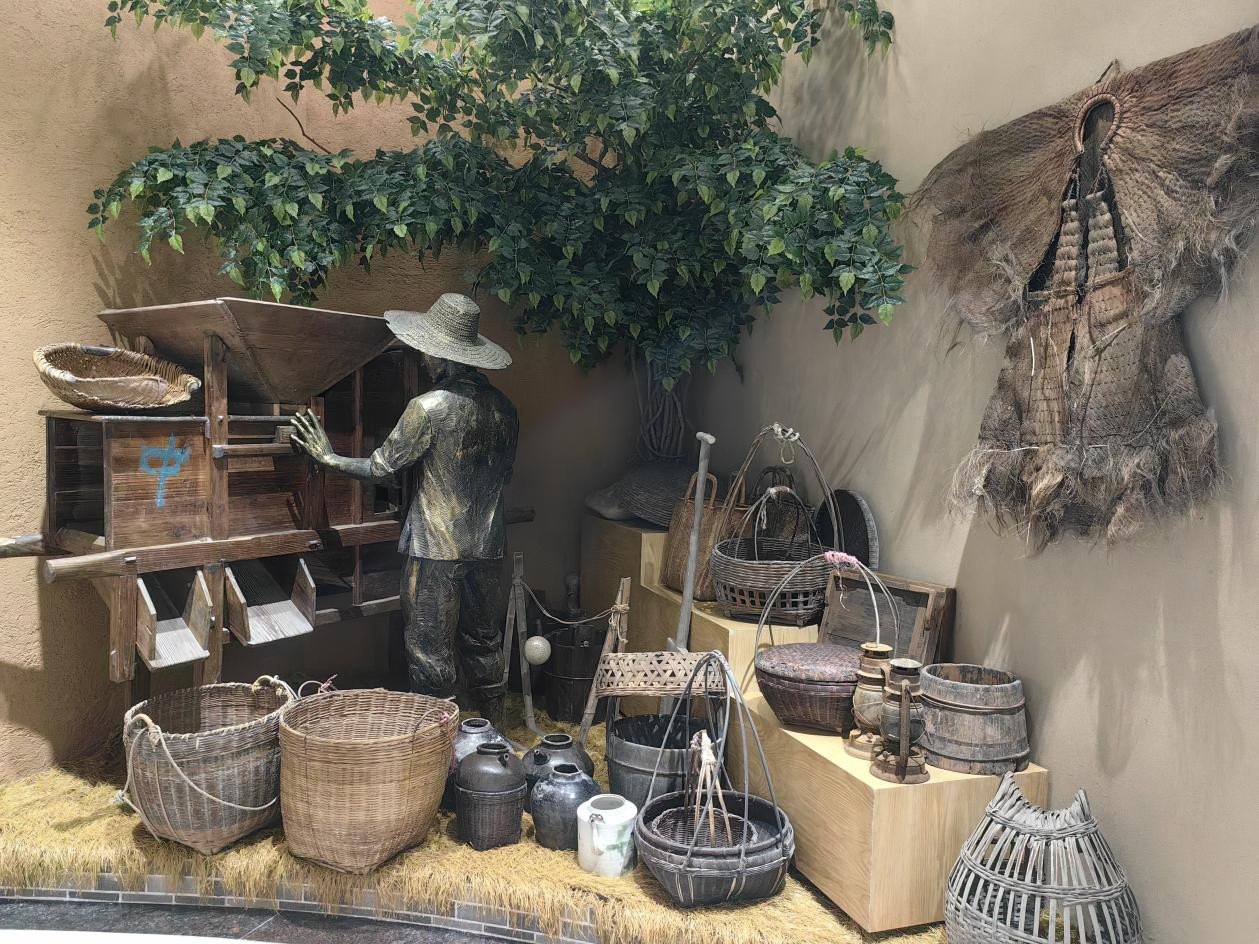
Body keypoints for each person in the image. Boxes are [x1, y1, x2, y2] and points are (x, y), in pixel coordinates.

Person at [291, 293, 519, 722]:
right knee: (485, 642)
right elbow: (503, 475)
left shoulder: (428, 408)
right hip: (489, 545)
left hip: (436, 546)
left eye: (426, 352)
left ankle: (439, 744)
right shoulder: (505, 409)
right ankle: (495, 739)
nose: (422, 359)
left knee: (429, 651)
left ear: (443, 356)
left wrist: (328, 458)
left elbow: (381, 467)